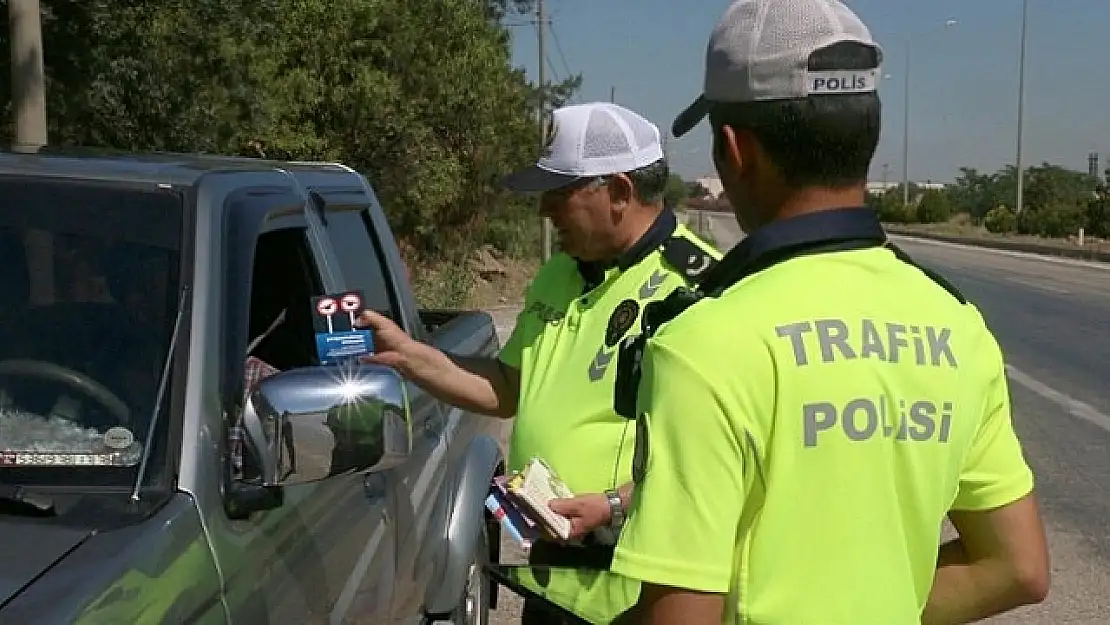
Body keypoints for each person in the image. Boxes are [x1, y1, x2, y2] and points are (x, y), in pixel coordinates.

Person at [599, 1, 1052, 624]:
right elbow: (1017, 567)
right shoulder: (957, 325)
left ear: (734, 150)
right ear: (866, 135)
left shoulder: (705, 343)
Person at [354, 101, 720, 624]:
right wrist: (411, 356)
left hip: (639, 586)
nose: (544, 210)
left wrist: (615, 506)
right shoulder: (561, 272)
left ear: (619, 192)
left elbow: (720, 462)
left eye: (560, 192)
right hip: (555, 574)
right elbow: (507, 387)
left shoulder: (700, 288)